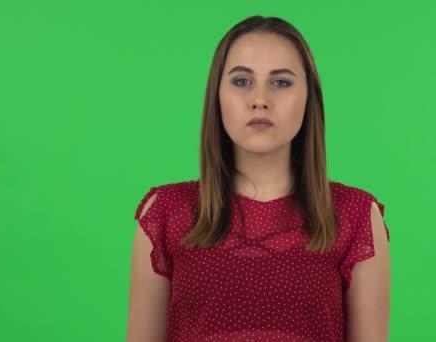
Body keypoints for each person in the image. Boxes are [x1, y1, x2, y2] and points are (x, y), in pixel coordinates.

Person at [126, 15, 391, 342]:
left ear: (309, 98)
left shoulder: (356, 216)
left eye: (281, 82)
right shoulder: (165, 213)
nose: (260, 99)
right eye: (242, 81)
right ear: (216, 96)